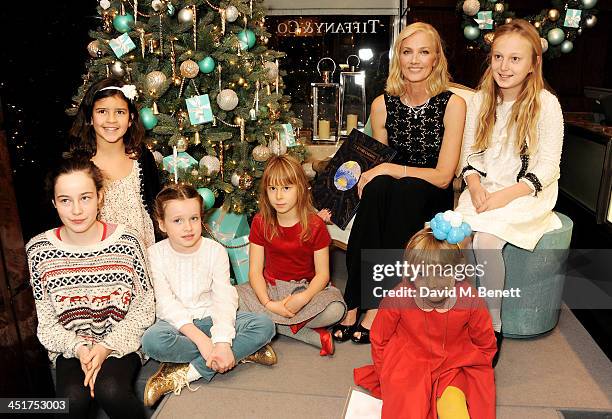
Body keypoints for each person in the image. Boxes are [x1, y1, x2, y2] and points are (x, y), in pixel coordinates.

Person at [334, 22, 466, 343]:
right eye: (407, 52)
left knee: (401, 188)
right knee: (379, 189)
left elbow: (444, 175)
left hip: (430, 192)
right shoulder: (382, 105)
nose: (415, 60)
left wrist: (393, 170)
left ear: (436, 58)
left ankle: (378, 304)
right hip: (390, 191)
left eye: (424, 52)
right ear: (398, 58)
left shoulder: (453, 104)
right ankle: (354, 298)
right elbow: (377, 164)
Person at [454, 19, 564, 365]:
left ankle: (492, 326)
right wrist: (473, 186)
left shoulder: (546, 104)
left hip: (526, 191)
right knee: (456, 236)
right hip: (482, 187)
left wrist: (504, 196)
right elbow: (469, 154)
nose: (504, 66)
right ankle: (459, 318)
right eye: (498, 56)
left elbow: (548, 166)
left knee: (486, 241)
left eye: (515, 59)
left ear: (533, 63)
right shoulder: (480, 100)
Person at [25, 155, 155, 419]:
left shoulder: (128, 242)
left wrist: (106, 346)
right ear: (54, 203)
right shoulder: (38, 251)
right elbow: (46, 322)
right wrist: (80, 349)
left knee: (111, 389)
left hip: (120, 339)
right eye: (65, 200)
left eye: (85, 197)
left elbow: (144, 306)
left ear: (100, 196)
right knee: (72, 400)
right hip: (70, 346)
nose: (76, 210)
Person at [141, 184, 277, 406]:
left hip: (211, 316)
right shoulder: (154, 254)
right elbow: (165, 304)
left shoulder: (215, 251)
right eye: (177, 220)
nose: (188, 227)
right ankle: (241, 353)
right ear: (161, 224)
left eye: (194, 218)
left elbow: (224, 298)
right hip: (177, 325)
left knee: (265, 325)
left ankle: (185, 373)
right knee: (151, 341)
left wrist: (222, 341)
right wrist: (204, 342)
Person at [354, 227, 496, 419]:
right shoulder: (399, 297)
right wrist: (386, 373)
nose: (432, 284)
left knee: (455, 411)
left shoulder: (470, 299)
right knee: (409, 411)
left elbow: (486, 343)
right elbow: (379, 338)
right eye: (422, 275)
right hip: (408, 365)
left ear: (457, 271)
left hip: (454, 366)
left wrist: (473, 368)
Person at [236, 155, 346, 355]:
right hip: (270, 288)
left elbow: (323, 275)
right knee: (231, 299)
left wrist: (303, 298)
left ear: (300, 189)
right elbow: (254, 272)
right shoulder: (261, 222)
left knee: (336, 309)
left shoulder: (315, 225)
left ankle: (272, 325)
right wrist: (268, 303)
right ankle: (305, 333)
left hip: (305, 288)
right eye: (272, 189)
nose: (278, 196)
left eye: (286, 188)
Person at [69, 77, 161, 247]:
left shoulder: (143, 159)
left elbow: (157, 209)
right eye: (102, 111)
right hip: (101, 257)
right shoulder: (79, 167)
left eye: (120, 112)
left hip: (145, 253)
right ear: (90, 117)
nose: (111, 120)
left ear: (131, 118)